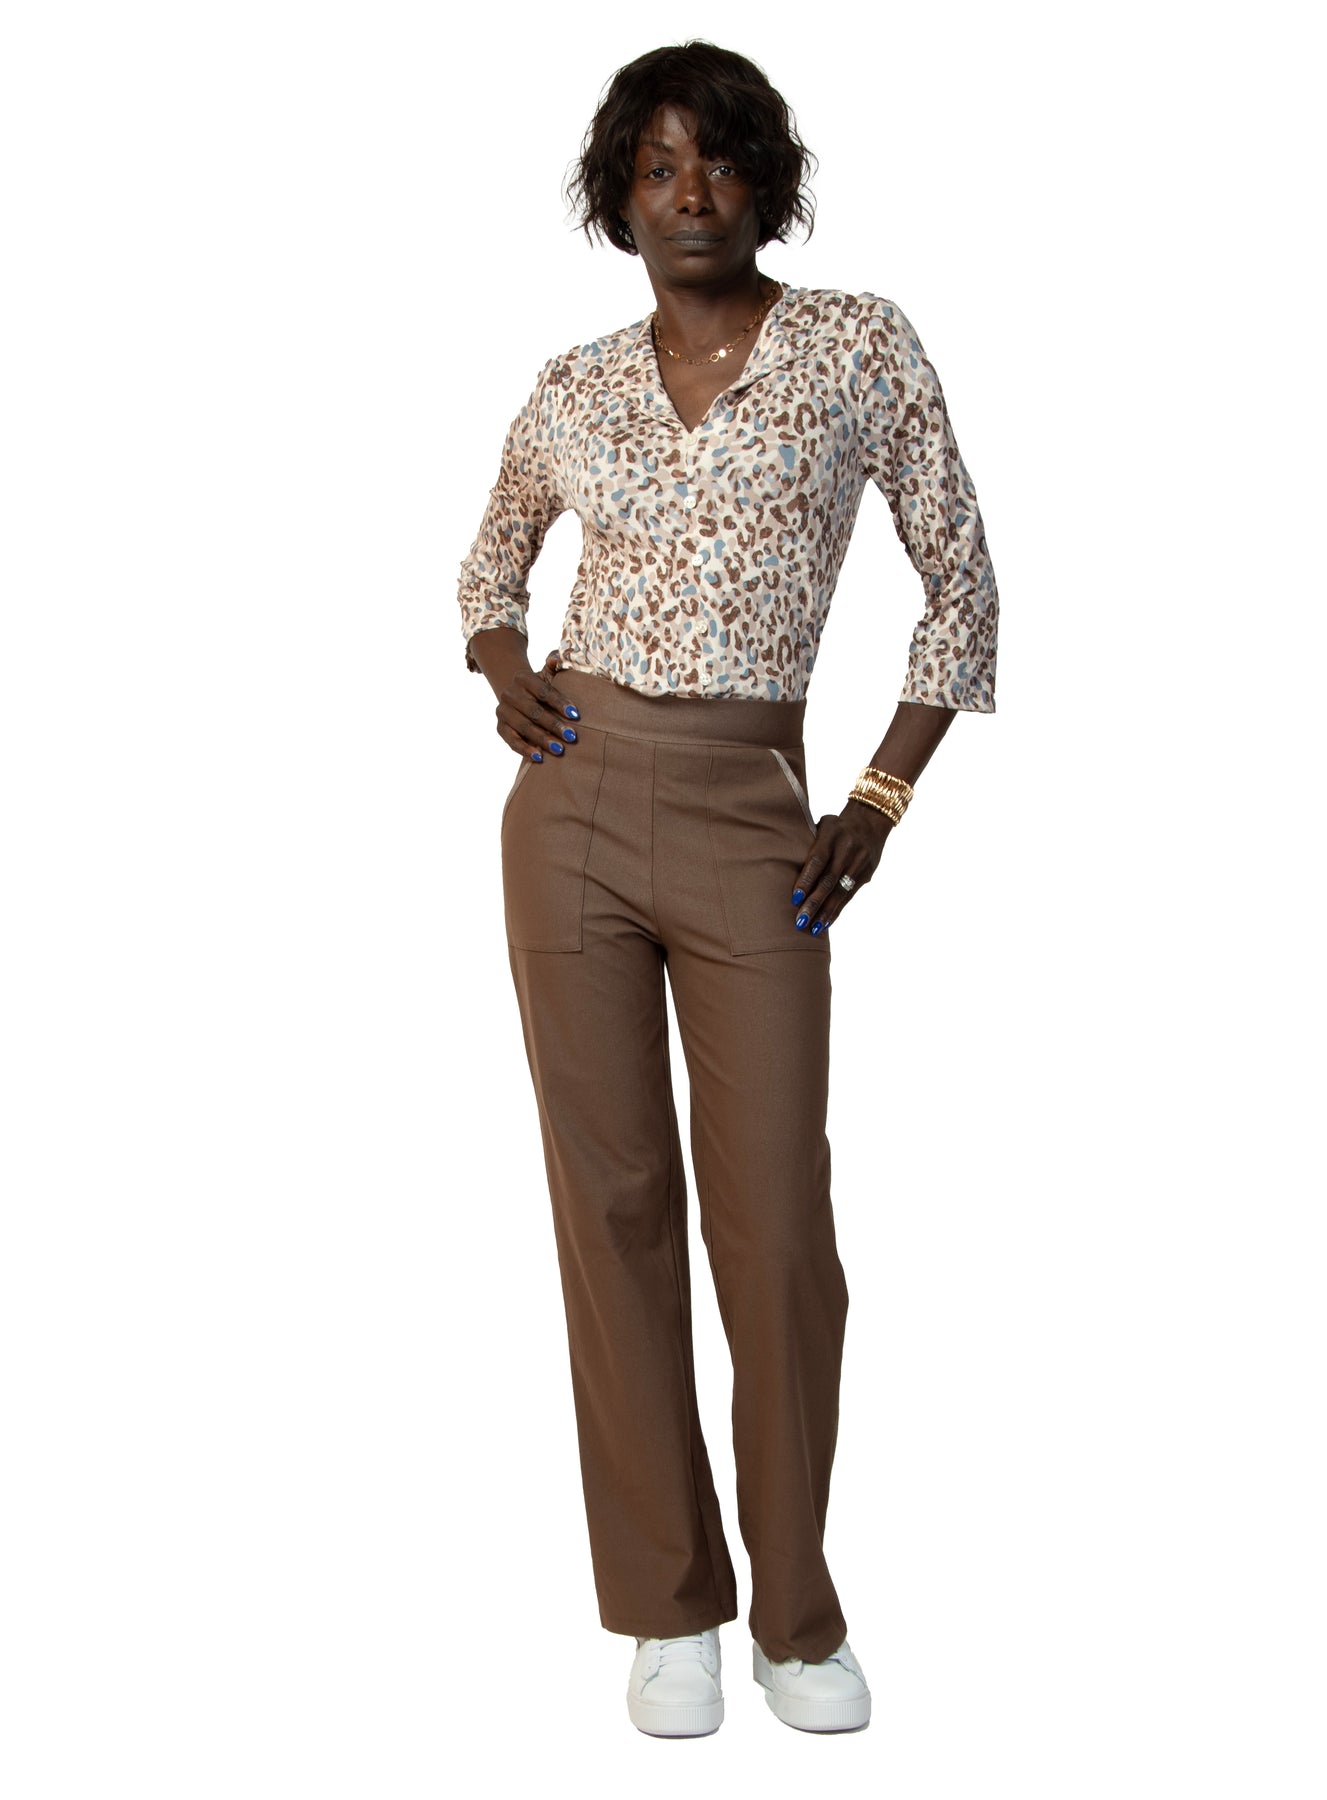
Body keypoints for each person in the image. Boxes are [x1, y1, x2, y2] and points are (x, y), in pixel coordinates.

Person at [457, 40, 998, 1739]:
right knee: (612, 1209)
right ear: (615, 201)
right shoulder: (571, 384)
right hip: (569, 808)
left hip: (755, 807)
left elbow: (961, 584)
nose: (689, 193)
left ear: (770, 182)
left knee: (775, 1227)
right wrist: (499, 663)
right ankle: (666, 1608)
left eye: (720, 161)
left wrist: (880, 792)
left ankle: (796, 1613)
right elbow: (488, 560)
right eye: (655, 167)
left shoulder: (856, 346)